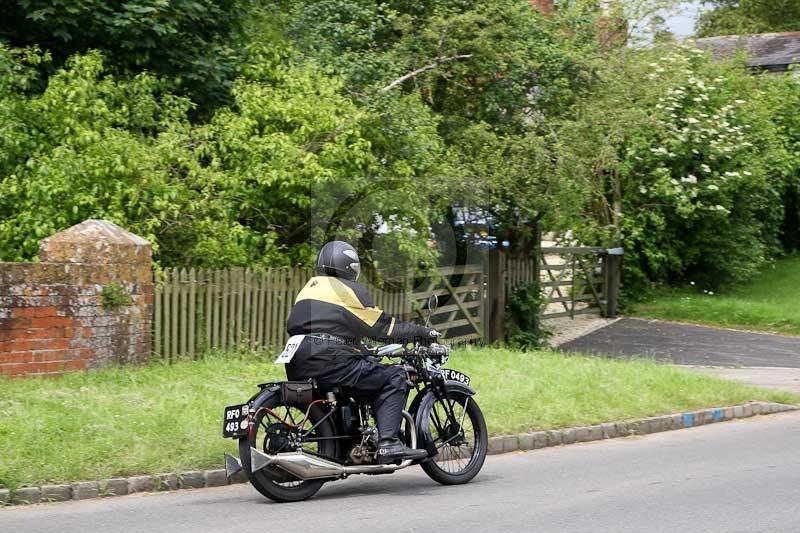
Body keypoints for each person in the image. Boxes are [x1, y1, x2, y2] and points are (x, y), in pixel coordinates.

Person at [285, 241, 437, 464]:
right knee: (394, 376)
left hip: (298, 359)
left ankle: (345, 445)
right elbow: (383, 328)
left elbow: (329, 327)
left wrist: (361, 350)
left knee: (356, 378)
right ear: (350, 266)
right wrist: (421, 333)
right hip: (329, 359)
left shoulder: (309, 288)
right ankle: (388, 444)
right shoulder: (345, 289)